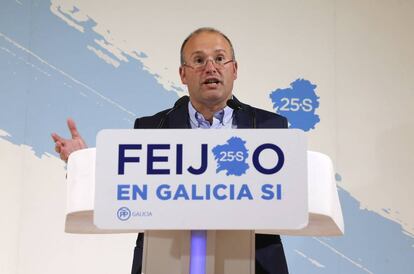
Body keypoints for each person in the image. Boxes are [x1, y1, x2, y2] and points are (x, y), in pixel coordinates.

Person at [52, 27, 289, 274]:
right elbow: (125, 188)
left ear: (234, 69)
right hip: (166, 257)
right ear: (183, 74)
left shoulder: (269, 126)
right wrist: (84, 162)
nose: (211, 68)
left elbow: (286, 193)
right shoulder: (151, 128)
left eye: (219, 59)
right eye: (199, 60)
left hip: (254, 260)